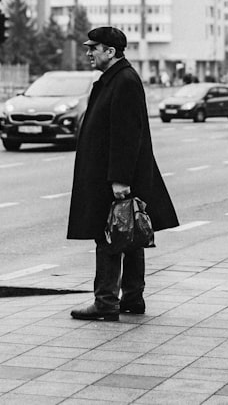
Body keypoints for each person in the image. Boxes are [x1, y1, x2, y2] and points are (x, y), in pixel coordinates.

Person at [67, 26, 179, 321]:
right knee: (128, 233)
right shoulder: (115, 79)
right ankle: (132, 297)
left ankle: (105, 301)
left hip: (115, 176)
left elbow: (127, 134)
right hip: (114, 173)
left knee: (109, 234)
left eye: (94, 48)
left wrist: (120, 179)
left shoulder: (124, 81)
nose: (89, 53)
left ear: (110, 51)